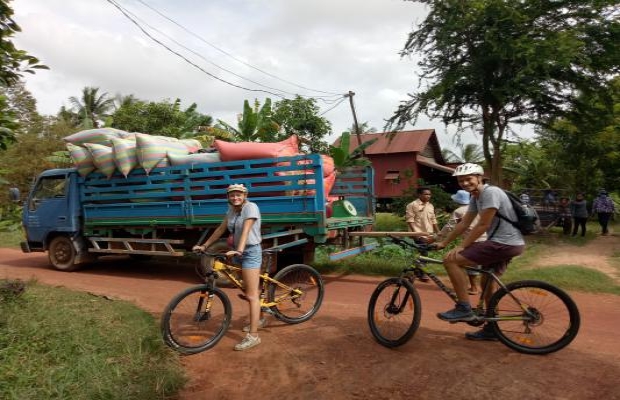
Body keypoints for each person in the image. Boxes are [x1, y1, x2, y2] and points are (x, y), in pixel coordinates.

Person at [433, 163, 525, 341]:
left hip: (503, 243)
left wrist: (462, 246)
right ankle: (492, 329)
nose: (465, 183)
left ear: (479, 178)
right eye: (461, 181)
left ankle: (464, 308)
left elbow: (483, 224)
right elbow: (464, 223)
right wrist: (444, 242)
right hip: (509, 243)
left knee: (451, 260)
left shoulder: (491, 193)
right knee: (487, 282)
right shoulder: (476, 197)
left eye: (469, 179)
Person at [193, 183, 263, 351]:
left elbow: (246, 229)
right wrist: (204, 246)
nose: (235, 197)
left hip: (250, 251)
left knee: (251, 295)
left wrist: (239, 250)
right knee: (247, 287)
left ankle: (254, 336)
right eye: (232, 195)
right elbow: (220, 229)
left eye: (238, 194)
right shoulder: (231, 210)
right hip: (237, 251)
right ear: (228, 197)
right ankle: (260, 315)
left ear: (245, 195)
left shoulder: (251, 207)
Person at [437, 189, 487, 295]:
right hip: (485, 238)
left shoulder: (459, 211)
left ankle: (471, 288)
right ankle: (476, 287)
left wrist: (439, 238)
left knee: (454, 261)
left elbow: (449, 227)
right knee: (474, 264)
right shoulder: (477, 208)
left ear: (457, 200)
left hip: (472, 240)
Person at [406, 187, 440, 281]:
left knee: (421, 253)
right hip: (418, 233)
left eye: (429, 194)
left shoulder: (430, 206)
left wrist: (439, 232)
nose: (428, 196)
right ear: (419, 195)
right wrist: (415, 234)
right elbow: (410, 220)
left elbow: (433, 220)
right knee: (424, 252)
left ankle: (414, 272)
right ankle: (422, 274)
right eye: (425, 194)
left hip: (428, 233)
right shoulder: (412, 205)